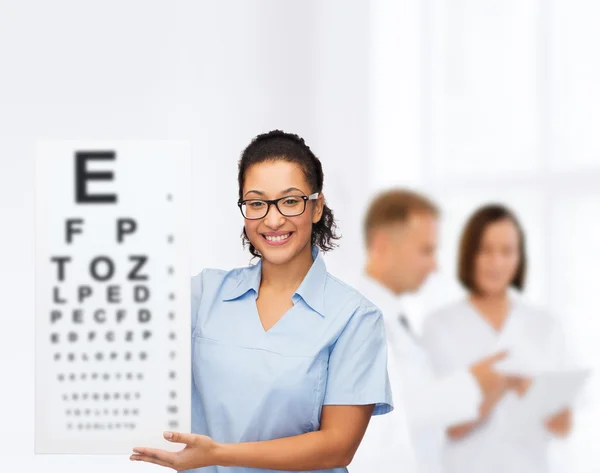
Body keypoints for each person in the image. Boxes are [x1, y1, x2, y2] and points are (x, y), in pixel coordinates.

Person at [129, 130, 393, 472]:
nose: (272, 219)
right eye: (256, 203)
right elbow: (124, 318)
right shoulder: (203, 295)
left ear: (316, 207)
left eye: (290, 201)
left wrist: (219, 455)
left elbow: (337, 447)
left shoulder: (355, 318)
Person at [348, 190, 509, 473]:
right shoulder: (355, 319)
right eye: (426, 250)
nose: (434, 266)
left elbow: (424, 417)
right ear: (382, 246)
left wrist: (482, 392)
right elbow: (379, 421)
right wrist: (471, 383)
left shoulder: (396, 319)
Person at [421, 204, 572, 473]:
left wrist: (544, 399)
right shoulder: (439, 325)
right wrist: (501, 384)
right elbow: (448, 426)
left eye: (506, 251)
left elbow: (562, 426)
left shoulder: (545, 325)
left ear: (519, 258)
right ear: (470, 255)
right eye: (486, 251)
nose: (497, 262)